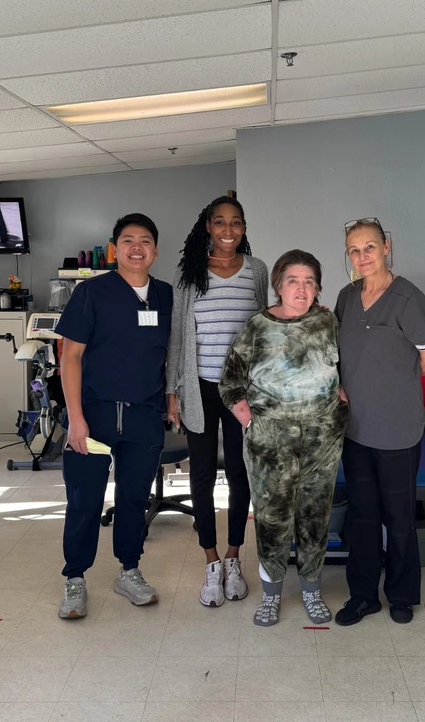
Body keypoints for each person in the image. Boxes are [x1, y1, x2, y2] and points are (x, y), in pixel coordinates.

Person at [219, 250, 349, 627]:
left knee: (314, 519)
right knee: (272, 521)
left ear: (318, 288)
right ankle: (272, 595)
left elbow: (351, 368)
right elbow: (230, 382)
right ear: (278, 285)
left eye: (309, 281)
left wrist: (342, 404)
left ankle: (310, 589)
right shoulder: (257, 326)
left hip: (321, 444)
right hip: (269, 446)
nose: (302, 288)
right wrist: (250, 421)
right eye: (293, 280)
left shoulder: (328, 322)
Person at [55, 213, 172, 619]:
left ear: (155, 251)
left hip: (143, 417)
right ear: (115, 249)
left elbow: (171, 357)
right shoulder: (92, 293)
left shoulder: (166, 296)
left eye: (144, 241)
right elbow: (69, 357)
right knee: (84, 500)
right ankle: (75, 579)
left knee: (133, 499)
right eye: (127, 240)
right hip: (95, 415)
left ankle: (129, 570)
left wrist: (171, 401)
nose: (136, 247)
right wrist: (75, 418)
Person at [333, 218, 425, 627]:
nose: (362, 256)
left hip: (398, 429)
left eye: (369, 247)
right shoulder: (346, 297)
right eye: (354, 250)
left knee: (399, 516)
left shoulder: (408, 298)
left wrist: (387, 382)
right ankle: (363, 596)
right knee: (362, 516)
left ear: (386, 246)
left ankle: (401, 593)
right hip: (357, 429)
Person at [166, 196, 268, 607]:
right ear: (207, 226)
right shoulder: (188, 274)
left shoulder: (257, 270)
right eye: (220, 222)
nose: (229, 230)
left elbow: (266, 324)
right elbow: (177, 336)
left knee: (243, 472)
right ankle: (209, 559)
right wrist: (172, 391)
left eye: (236, 223)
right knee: (203, 474)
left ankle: (233, 557)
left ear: (244, 227)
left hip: (243, 391)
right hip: (200, 387)